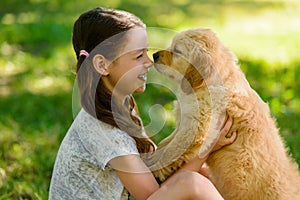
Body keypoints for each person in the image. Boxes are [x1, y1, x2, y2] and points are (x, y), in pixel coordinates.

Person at [49, 7, 237, 200]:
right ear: (102, 65)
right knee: (191, 182)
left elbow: (161, 182)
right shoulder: (104, 132)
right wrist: (205, 148)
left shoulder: (121, 106)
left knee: (201, 174)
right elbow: (154, 194)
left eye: (146, 53)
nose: (149, 62)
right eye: (138, 56)